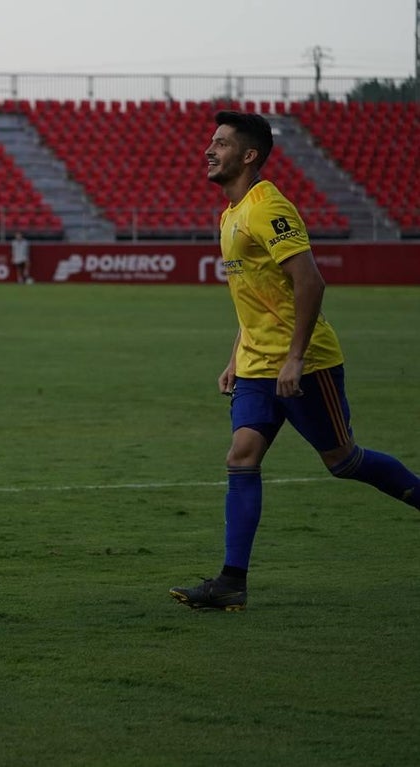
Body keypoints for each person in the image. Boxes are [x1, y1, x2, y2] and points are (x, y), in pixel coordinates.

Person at [169, 111, 420, 612]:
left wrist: (296, 358)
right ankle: (231, 582)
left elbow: (311, 283)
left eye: (219, 143)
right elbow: (257, 296)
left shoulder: (268, 207)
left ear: (249, 156)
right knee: (242, 455)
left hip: (305, 367)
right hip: (258, 367)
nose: (208, 150)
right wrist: (235, 357)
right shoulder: (229, 214)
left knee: (343, 461)